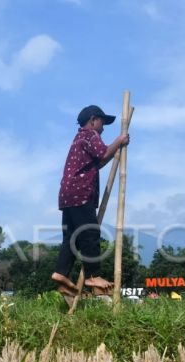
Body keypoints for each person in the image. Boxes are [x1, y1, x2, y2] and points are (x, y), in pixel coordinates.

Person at [50, 105, 130, 296]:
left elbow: (99, 162)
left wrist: (115, 149)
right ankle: (94, 276)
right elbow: (102, 154)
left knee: (71, 237)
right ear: (93, 120)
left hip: (67, 194)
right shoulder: (90, 135)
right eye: (102, 122)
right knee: (90, 234)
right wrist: (119, 140)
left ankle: (61, 275)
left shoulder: (79, 139)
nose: (103, 128)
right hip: (81, 192)